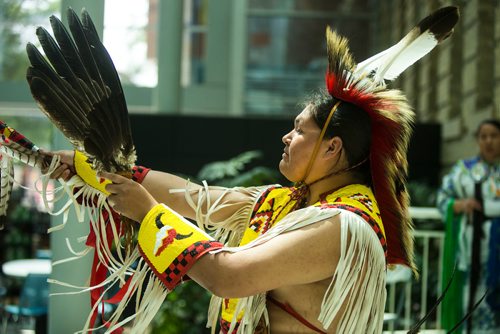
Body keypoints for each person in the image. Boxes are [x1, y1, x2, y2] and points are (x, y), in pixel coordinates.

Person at [48, 25, 420, 333]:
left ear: (331, 148)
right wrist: (93, 169)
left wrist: (149, 215)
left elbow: (228, 276)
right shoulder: (289, 204)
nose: (286, 138)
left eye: (299, 130)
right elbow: (194, 197)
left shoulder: (342, 224)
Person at [437, 119, 500, 333]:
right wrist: (459, 205)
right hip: (469, 250)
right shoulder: (464, 171)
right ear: (477, 141)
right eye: (484, 136)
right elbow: (442, 199)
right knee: (469, 300)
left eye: (494, 136)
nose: (489, 141)